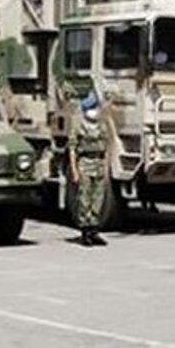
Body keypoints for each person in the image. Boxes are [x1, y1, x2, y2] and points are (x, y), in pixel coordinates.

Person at [68, 92, 111, 247]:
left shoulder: (102, 125)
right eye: (92, 107)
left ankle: (94, 230)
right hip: (85, 162)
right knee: (84, 198)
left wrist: (106, 168)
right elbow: (72, 149)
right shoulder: (78, 126)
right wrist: (74, 170)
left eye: (96, 107)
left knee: (98, 198)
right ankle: (85, 231)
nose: (95, 110)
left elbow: (106, 148)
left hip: (98, 162)